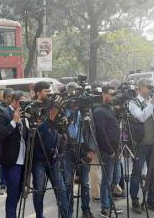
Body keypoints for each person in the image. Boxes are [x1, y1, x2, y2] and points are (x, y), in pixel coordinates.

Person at [31, 81, 69, 218]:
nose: (49, 93)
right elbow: (38, 132)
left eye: (49, 90)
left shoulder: (55, 106)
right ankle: (39, 216)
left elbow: (64, 125)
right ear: (38, 92)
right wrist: (51, 117)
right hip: (38, 158)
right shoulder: (33, 107)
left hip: (54, 156)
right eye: (46, 91)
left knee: (62, 190)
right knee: (39, 190)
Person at [61, 82, 95, 218]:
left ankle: (86, 210)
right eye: (70, 94)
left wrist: (91, 149)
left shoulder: (85, 110)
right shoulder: (62, 110)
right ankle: (68, 211)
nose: (73, 100)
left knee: (85, 183)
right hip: (67, 149)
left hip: (82, 148)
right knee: (68, 183)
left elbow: (92, 130)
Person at [128, 79, 154, 213]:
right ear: (140, 87)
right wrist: (152, 104)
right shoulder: (133, 103)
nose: (150, 89)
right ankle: (135, 200)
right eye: (148, 87)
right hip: (140, 144)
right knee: (137, 173)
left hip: (153, 143)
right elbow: (141, 117)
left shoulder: (151, 101)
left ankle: (152, 201)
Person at [0, 90, 28, 218]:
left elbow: (25, 136)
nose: (22, 105)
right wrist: (14, 121)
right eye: (20, 102)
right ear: (13, 101)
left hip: (23, 160)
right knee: (13, 194)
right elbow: (2, 134)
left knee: (19, 192)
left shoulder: (23, 114)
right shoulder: (2, 113)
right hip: (11, 161)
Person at [92, 86, 123, 217]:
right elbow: (101, 134)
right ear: (104, 95)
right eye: (111, 94)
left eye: (115, 94)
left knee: (115, 177)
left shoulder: (111, 108)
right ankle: (105, 208)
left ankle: (110, 205)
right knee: (107, 179)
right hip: (107, 150)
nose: (113, 97)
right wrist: (109, 150)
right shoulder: (98, 111)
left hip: (116, 149)